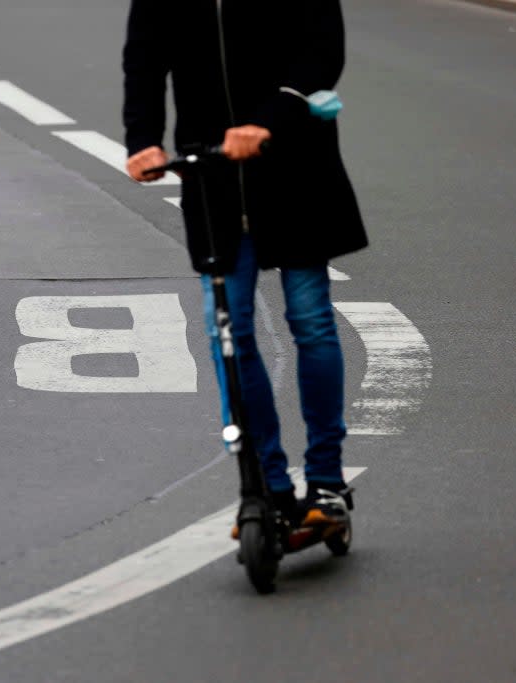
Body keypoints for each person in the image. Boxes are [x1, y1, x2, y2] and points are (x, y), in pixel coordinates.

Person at [122, 0, 368, 527]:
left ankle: (326, 480)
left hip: (294, 162)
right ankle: (266, 483)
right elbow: (143, 58)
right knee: (227, 332)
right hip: (212, 174)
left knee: (310, 319)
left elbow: (322, 52)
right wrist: (142, 139)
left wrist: (266, 121)